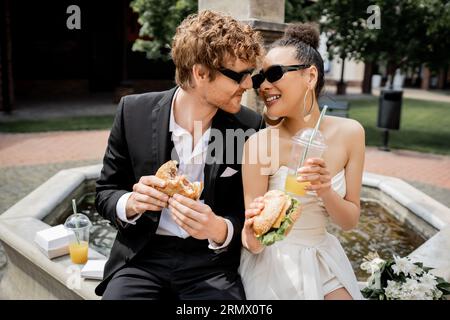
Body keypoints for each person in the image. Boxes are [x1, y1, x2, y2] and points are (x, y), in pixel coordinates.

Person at [95, 10, 264, 299]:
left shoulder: (250, 127)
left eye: (250, 75)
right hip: (142, 259)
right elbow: (106, 191)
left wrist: (219, 228)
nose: (248, 84)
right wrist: (131, 203)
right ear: (200, 73)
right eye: (239, 76)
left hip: (210, 266)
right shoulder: (132, 112)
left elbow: (247, 212)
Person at [239, 23, 365, 300]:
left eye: (275, 74)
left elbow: (349, 222)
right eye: (261, 78)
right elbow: (253, 244)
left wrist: (325, 190)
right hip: (273, 268)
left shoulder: (351, 133)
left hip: (323, 260)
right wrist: (253, 230)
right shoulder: (259, 144)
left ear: (310, 76)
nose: (264, 86)